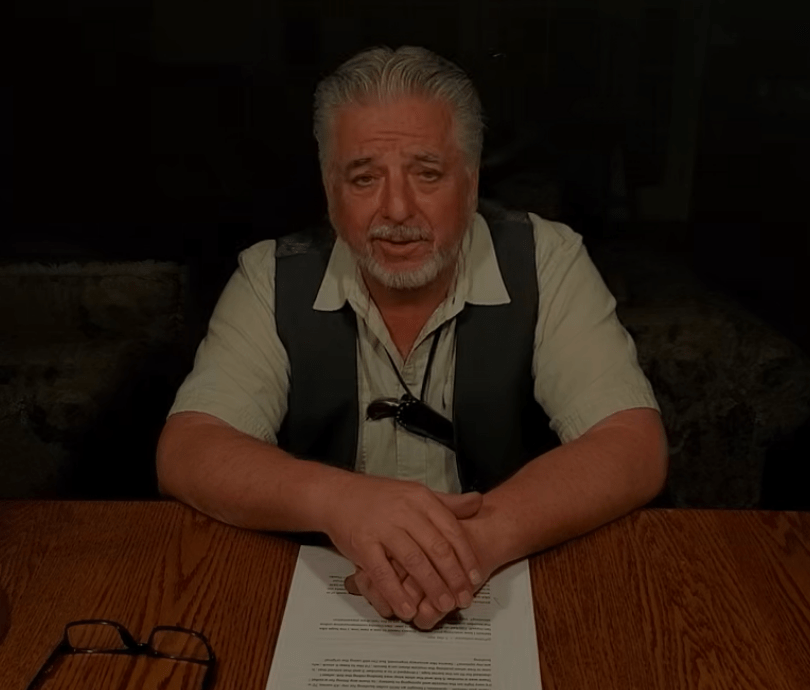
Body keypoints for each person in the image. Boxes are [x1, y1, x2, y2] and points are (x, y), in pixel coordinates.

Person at [156, 46, 667, 630]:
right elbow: (188, 448)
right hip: (331, 595)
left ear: (470, 182)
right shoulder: (269, 276)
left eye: (427, 174)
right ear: (329, 189)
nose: (397, 209)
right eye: (364, 177)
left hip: (509, 591)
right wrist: (339, 501)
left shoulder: (547, 259)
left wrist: (473, 543)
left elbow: (631, 443)